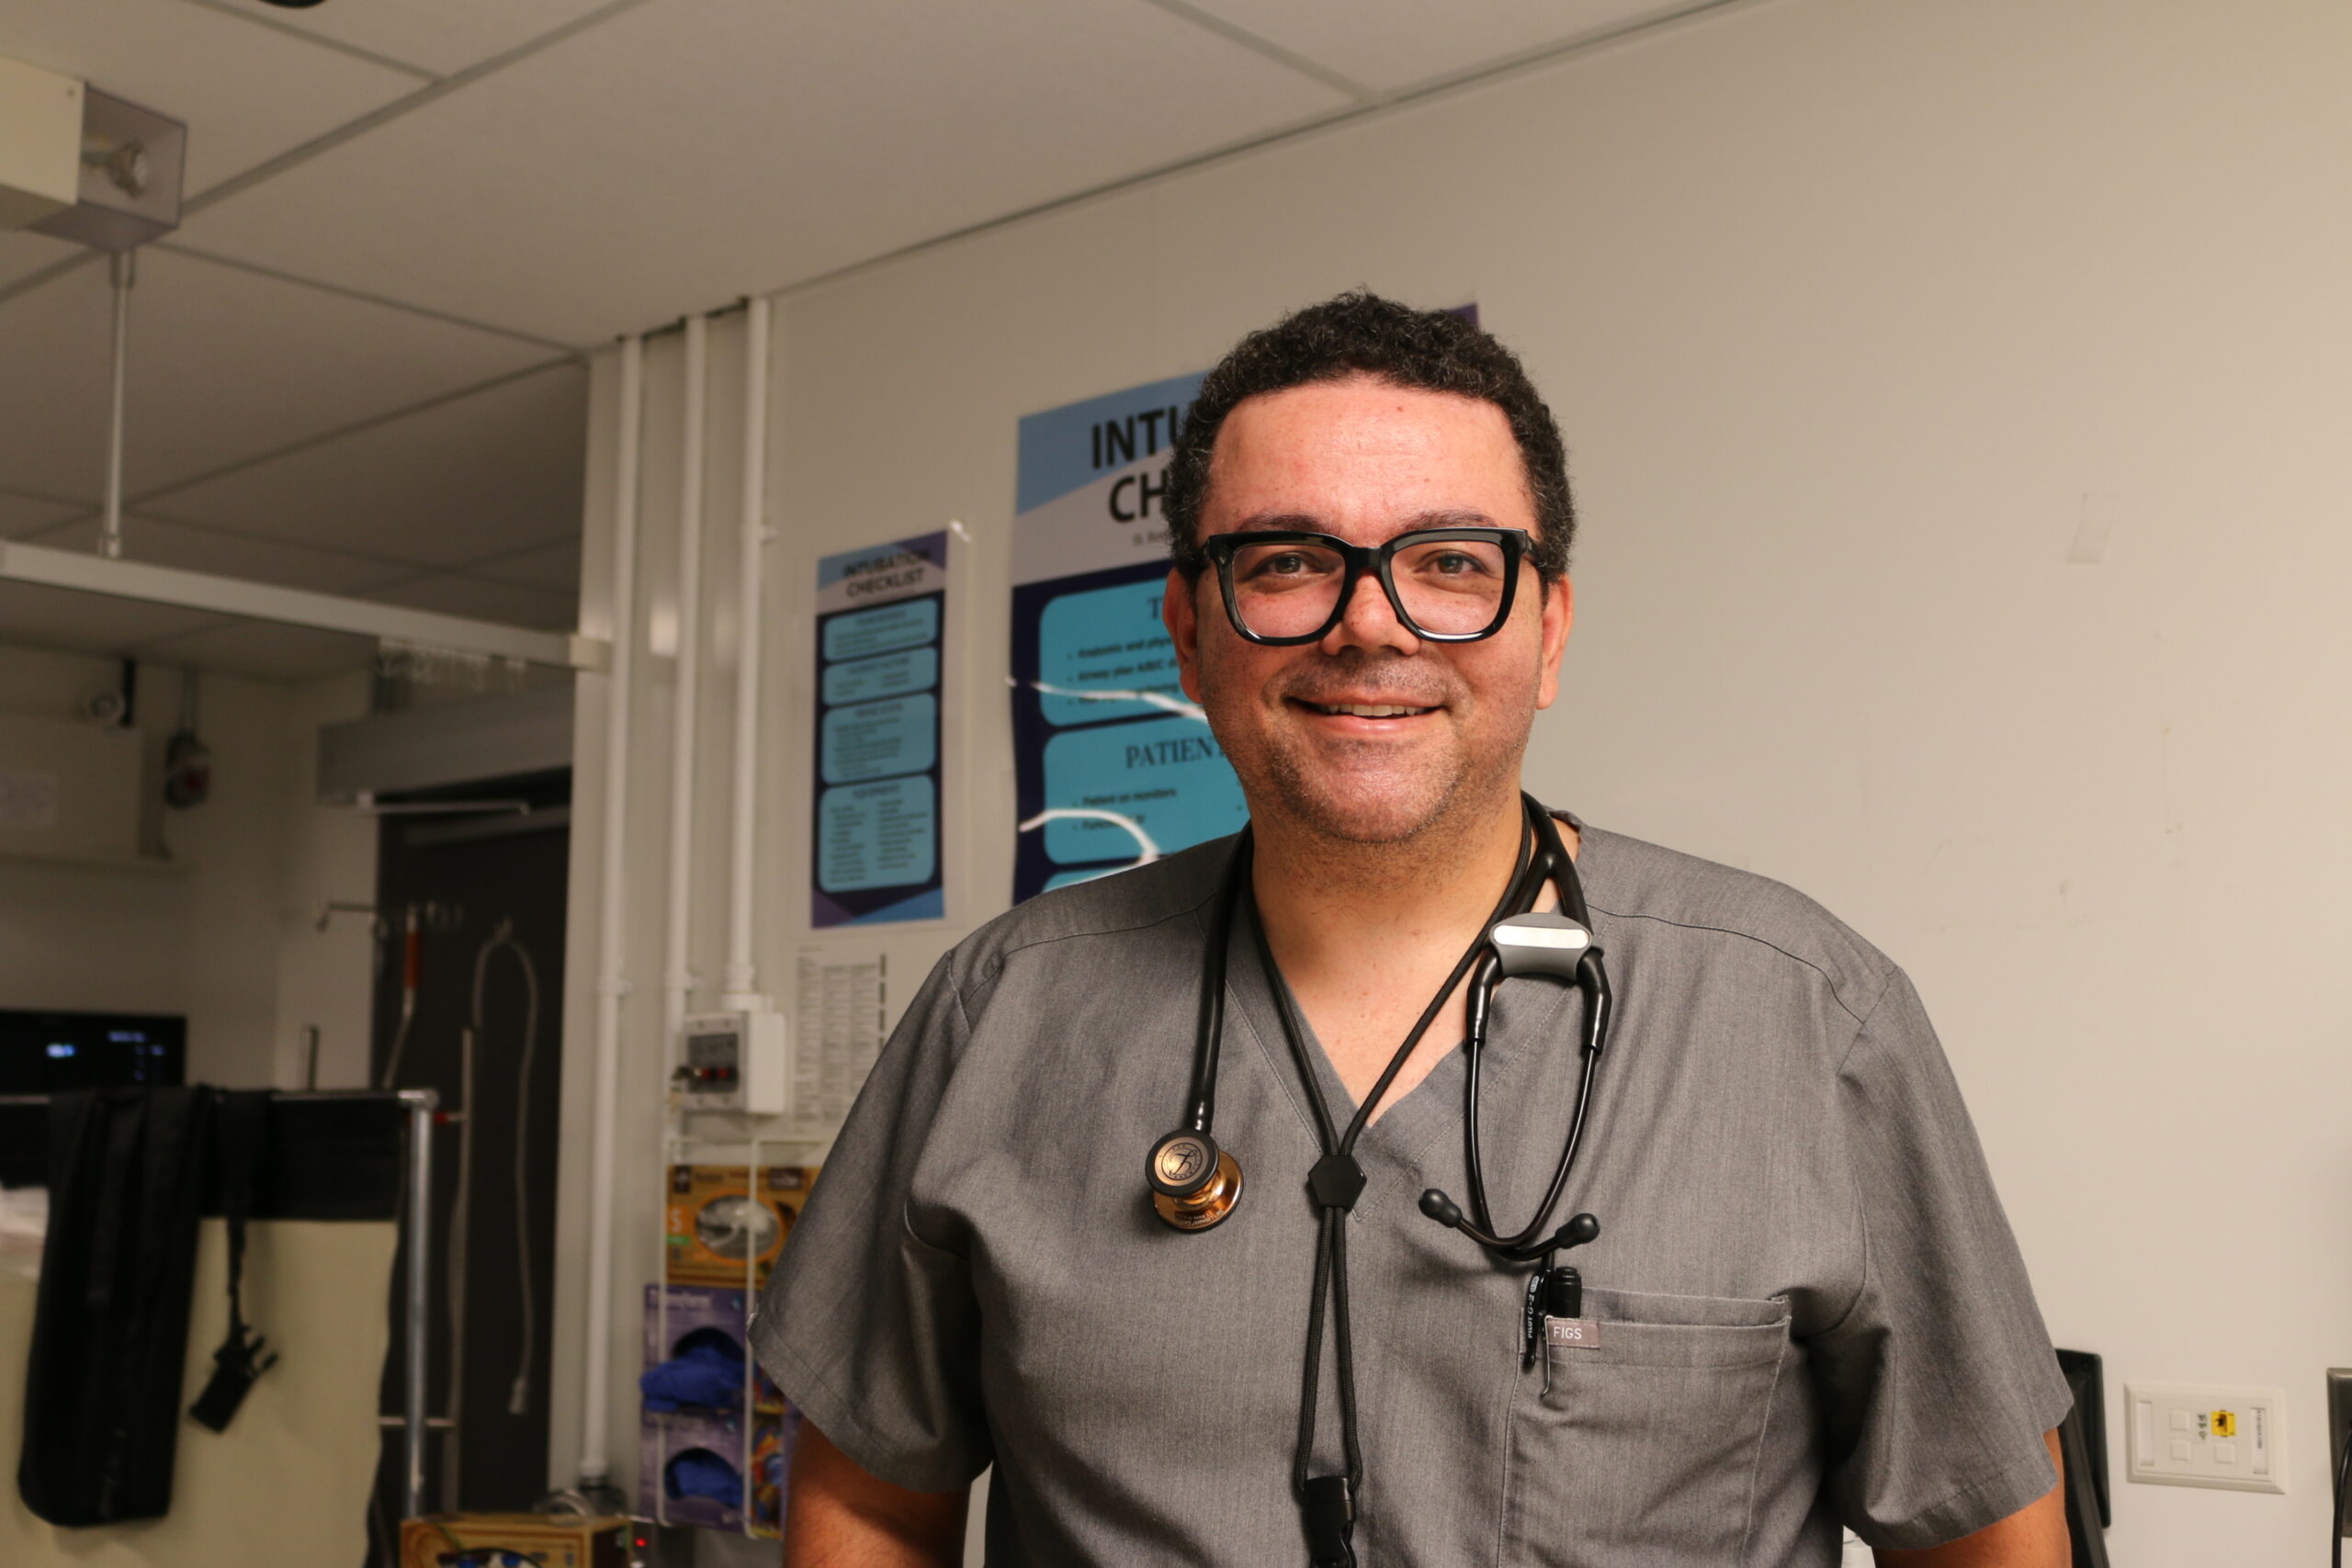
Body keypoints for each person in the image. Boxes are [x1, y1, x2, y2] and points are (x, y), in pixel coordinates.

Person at [751, 292, 2074, 1566]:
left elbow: (1985, 1544)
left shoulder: (1806, 1018)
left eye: (1450, 563)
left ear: (1549, 629)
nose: (1370, 624)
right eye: (1288, 562)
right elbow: (873, 1504)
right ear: (1189, 631)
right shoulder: (1000, 1014)